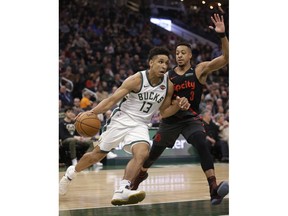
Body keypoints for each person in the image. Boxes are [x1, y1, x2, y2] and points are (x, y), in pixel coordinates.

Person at [59, 47, 190, 206]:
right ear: (151, 63)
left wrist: (179, 106)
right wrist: (91, 112)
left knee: (142, 153)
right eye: (160, 62)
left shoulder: (168, 85)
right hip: (121, 120)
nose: (164, 66)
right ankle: (70, 175)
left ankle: (122, 189)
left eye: (166, 63)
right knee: (96, 155)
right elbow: (112, 100)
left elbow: (164, 112)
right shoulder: (136, 79)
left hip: (140, 124)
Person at [131, 13, 229, 205]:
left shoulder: (200, 70)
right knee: (152, 155)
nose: (179, 55)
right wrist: (177, 105)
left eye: (183, 52)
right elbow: (164, 112)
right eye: (177, 53)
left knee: (202, 143)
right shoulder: (168, 78)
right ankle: (137, 179)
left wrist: (222, 35)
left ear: (190, 55)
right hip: (171, 121)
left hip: (191, 119)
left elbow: (226, 58)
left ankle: (213, 188)